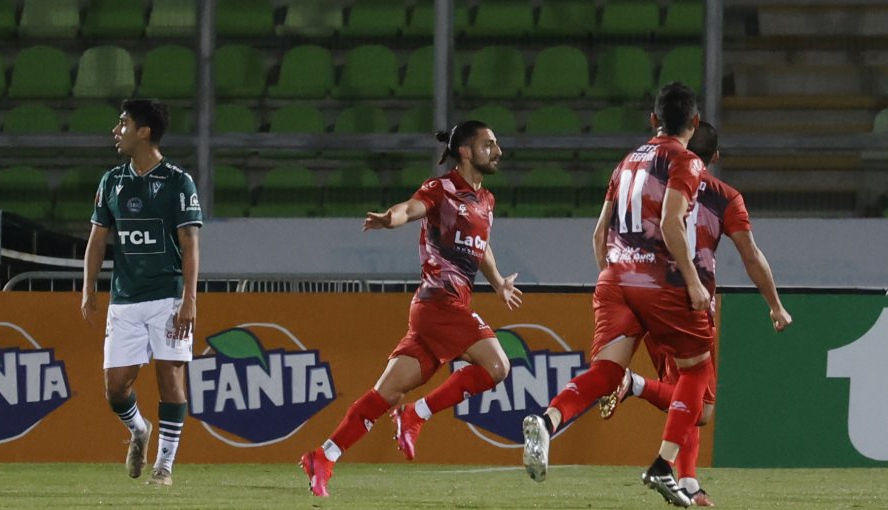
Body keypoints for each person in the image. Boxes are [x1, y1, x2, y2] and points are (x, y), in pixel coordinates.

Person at [299, 120, 523, 497]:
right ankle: (415, 415)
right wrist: (392, 219)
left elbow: (479, 245)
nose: (497, 151)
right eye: (489, 144)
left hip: (434, 310)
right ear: (465, 151)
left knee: (384, 393)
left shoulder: (486, 200)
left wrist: (498, 280)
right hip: (439, 303)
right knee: (498, 366)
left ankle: (323, 455)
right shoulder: (442, 189)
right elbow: (410, 207)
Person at [522, 82, 713, 508]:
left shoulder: (626, 162)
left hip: (614, 275)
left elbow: (598, 233)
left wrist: (616, 283)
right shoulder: (686, 161)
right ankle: (665, 468)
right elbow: (670, 224)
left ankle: (548, 419)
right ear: (695, 123)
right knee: (697, 371)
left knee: (606, 373)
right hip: (657, 279)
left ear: (653, 121)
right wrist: (693, 282)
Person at [596, 121, 794, 506]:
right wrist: (775, 305)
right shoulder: (724, 196)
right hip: (688, 302)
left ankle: (685, 477)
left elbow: (604, 231)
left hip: (645, 294)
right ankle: (674, 464)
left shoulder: (648, 180)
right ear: (715, 157)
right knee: (696, 398)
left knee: (696, 405)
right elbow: (751, 255)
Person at [81, 99, 202, 487]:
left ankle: (164, 466)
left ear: (144, 131)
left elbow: (190, 245)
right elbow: (98, 240)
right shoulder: (112, 181)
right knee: (115, 388)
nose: (116, 130)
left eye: (123, 123)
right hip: (125, 300)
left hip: (167, 297)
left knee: (171, 379)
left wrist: (189, 300)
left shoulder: (178, 182)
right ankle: (138, 429)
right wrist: (88, 288)